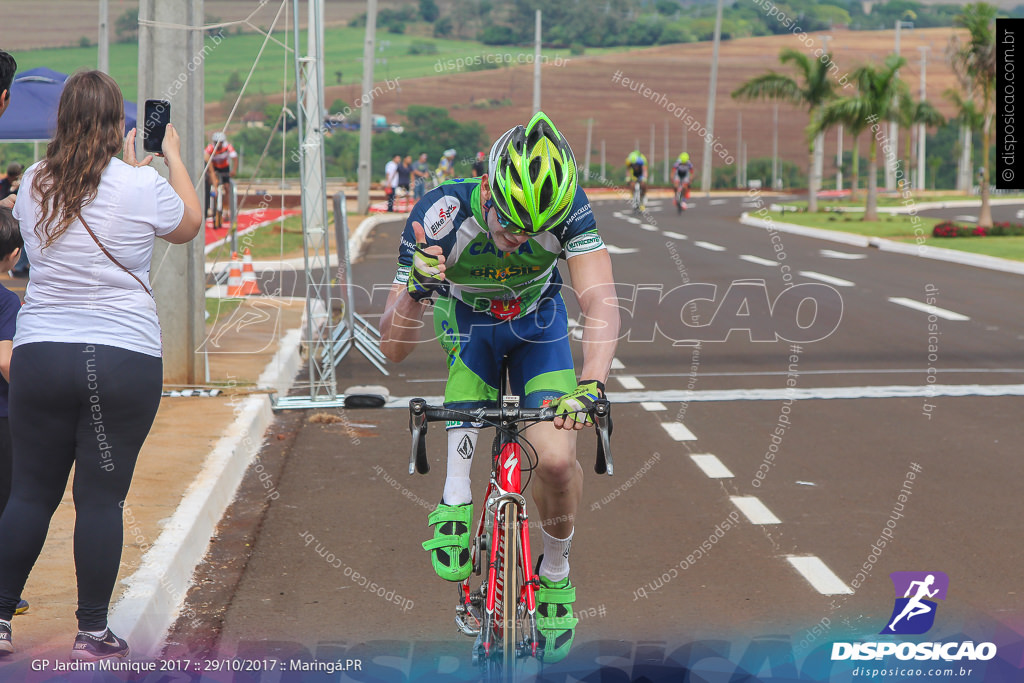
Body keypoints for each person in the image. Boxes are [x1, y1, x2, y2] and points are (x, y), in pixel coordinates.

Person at [380, 112, 619, 664]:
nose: (517, 241)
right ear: (485, 186)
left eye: (533, 232)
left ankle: (555, 572)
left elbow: (600, 300)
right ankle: (455, 493)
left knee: (558, 461)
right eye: (508, 224)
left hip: (540, 327)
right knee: (468, 390)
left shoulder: (570, 208)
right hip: (470, 326)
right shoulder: (439, 215)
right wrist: (416, 291)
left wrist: (592, 384)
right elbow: (392, 347)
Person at [0, 70, 202, 661]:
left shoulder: (35, 179)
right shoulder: (140, 186)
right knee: (101, 499)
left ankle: (0, 620)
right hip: (120, 359)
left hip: (40, 353)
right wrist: (171, 158)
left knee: (30, 495)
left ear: (61, 122)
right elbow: (189, 225)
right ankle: (91, 631)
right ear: (121, 125)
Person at [203, 131, 237, 225]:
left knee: (227, 187)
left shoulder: (228, 147)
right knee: (211, 182)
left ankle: (225, 210)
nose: (218, 145)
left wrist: (233, 170)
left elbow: (235, 158)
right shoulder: (210, 148)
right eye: (216, 142)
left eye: (220, 142)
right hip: (214, 167)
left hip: (224, 167)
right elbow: (204, 156)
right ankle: (211, 204)